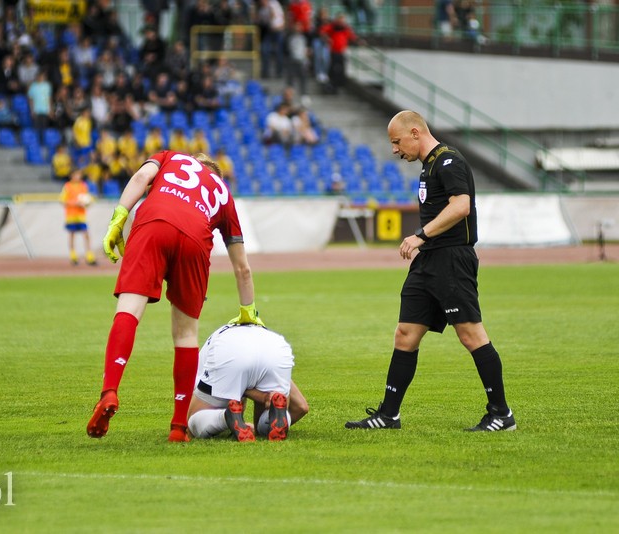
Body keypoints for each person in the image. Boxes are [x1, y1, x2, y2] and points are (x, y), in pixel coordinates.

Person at [345, 110, 516, 432]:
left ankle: (501, 414)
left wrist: (421, 235)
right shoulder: (429, 166)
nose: (395, 150)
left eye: (397, 142)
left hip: (451, 259)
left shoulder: (450, 161)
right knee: (405, 334)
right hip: (428, 261)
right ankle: (389, 414)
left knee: (470, 334)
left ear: (414, 132)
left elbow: (461, 205)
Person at [87, 151, 263, 442]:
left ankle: (109, 392)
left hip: (154, 222)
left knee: (128, 311)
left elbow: (142, 177)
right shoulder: (223, 192)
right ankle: (179, 427)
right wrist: (249, 310)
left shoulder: (172, 156)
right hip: (196, 239)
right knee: (185, 335)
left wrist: (119, 217)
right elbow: (242, 268)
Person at [187, 323, 309, 441]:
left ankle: (226, 417)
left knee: (191, 423)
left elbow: (230, 386)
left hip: (228, 350)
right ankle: (272, 418)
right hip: (274, 347)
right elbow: (301, 407)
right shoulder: (252, 339)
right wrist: (265, 396)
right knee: (263, 429)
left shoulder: (199, 370)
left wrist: (260, 396)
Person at [59, 169, 97, 266]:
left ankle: (89, 255)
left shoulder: (83, 185)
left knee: (86, 234)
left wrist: (87, 203)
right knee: (72, 234)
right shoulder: (67, 186)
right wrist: (75, 203)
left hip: (81, 216)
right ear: (71, 175)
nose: (78, 176)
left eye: (79, 175)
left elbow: (87, 198)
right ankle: (73, 256)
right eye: (76, 174)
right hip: (71, 215)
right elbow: (62, 201)